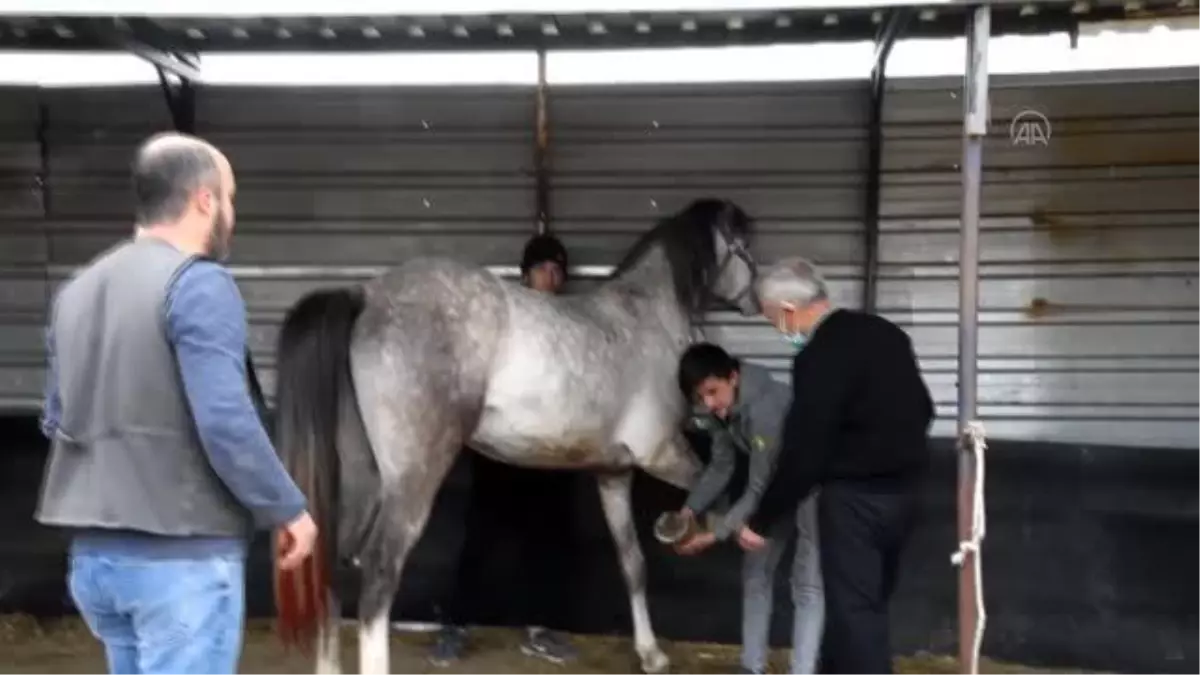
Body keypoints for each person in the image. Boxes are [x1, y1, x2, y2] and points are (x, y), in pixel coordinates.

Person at [34, 132, 318, 675]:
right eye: (230, 198)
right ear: (204, 200)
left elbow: (56, 418)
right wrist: (287, 508)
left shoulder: (76, 290)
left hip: (96, 561)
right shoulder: (198, 285)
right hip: (181, 564)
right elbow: (225, 422)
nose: (232, 212)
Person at [739, 257, 934, 675]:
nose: (777, 328)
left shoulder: (817, 357)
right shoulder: (886, 333)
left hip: (855, 502)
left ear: (788, 310)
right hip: (907, 492)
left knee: (854, 614)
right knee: (868, 604)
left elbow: (804, 451)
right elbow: (924, 408)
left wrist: (762, 519)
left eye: (772, 319)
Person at [429, 233, 580, 666]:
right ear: (525, 274)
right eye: (543, 269)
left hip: (549, 453)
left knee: (547, 543)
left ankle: (540, 629)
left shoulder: (570, 325)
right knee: (481, 539)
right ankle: (455, 627)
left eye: (557, 271)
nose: (551, 278)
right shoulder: (504, 318)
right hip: (500, 450)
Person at [670, 342, 824, 675]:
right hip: (773, 489)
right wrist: (689, 510)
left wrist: (715, 533)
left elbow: (759, 484)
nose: (709, 404)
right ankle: (751, 667)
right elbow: (721, 465)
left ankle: (802, 670)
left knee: (807, 584)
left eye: (713, 391)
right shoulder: (720, 412)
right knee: (755, 574)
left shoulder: (766, 408)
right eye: (700, 398)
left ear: (733, 377)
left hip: (813, 486)